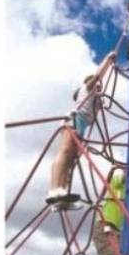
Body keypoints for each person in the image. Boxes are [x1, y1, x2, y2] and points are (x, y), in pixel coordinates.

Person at [46, 72, 103, 206]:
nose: (99, 88)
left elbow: (94, 116)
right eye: (97, 85)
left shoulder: (95, 101)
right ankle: (54, 189)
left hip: (82, 126)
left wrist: (99, 105)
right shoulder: (87, 89)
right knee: (65, 151)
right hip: (74, 120)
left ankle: (61, 195)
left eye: (100, 87)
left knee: (71, 162)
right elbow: (98, 76)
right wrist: (109, 59)